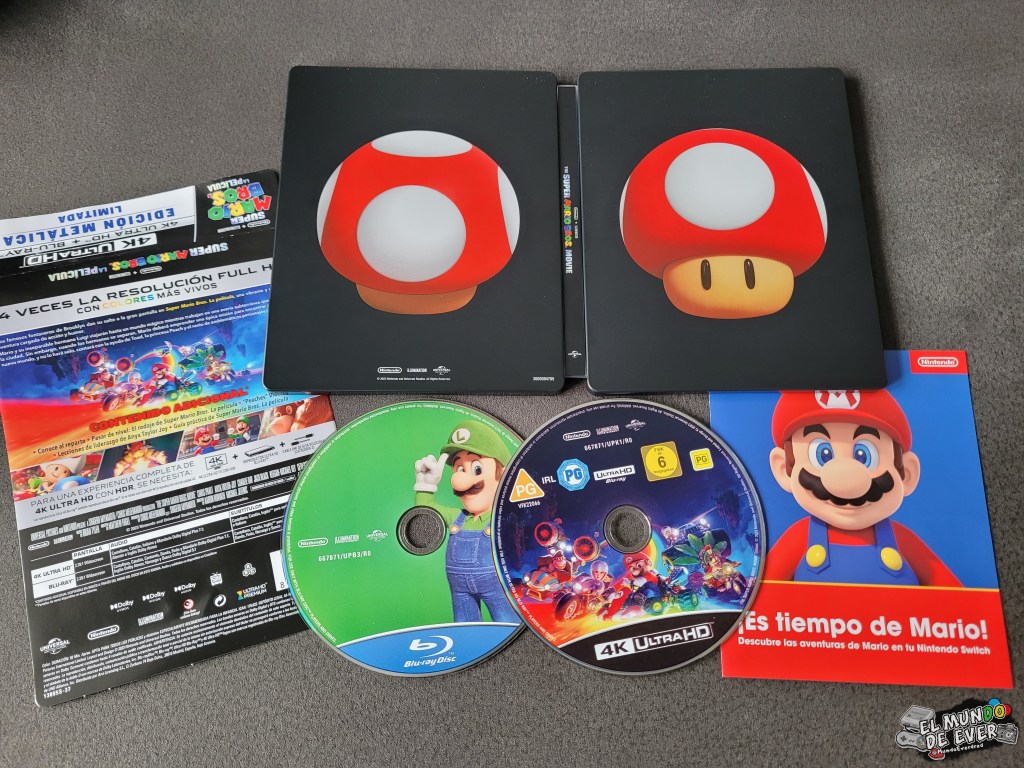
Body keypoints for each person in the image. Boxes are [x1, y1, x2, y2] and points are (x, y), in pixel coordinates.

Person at [765, 389, 960, 586]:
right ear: (784, 469)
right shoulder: (799, 538)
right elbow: (758, 595)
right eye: (823, 455)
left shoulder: (903, 541)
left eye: (864, 455)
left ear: (907, 474)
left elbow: (957, 597)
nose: (846, 477)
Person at [413, 421, 518, 623]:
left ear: (503, 474)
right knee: (465, 627)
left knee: (508, 624)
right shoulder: (457, 517)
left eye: (476, 468)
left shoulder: (503, 517)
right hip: (459, 589)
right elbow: (425, 516)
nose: (461, 480)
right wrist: (425, 486)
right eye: (459, 468)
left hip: (497, 586)